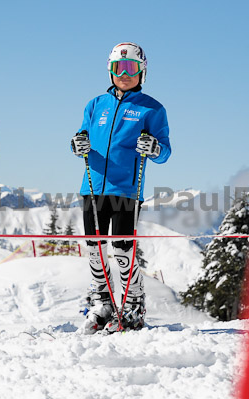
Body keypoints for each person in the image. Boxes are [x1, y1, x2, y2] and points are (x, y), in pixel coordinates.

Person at [71, 42, 171, 334]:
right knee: (95, 250)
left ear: (142, 71)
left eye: (131, 68)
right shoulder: (95, 105)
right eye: (118, 68)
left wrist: (153, 147)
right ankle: (102, 303)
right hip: (92, 187)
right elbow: (81, 137)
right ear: (110, 70)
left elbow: (164, 151)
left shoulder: (152, 109)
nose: (124, 74)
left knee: (123, 248)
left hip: (127, 189)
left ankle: (132, 306)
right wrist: (77, 145)